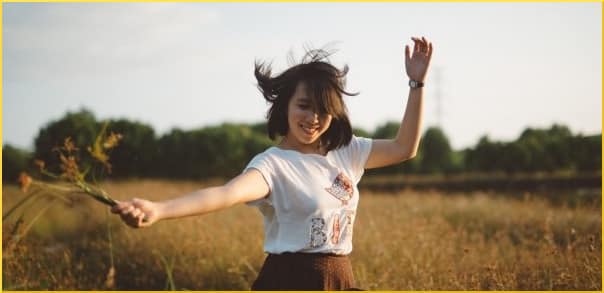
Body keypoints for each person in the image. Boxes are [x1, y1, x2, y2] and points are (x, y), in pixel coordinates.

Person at [111, 36, 433, 290]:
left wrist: (416, 84)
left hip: (339, 279)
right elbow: (226, 194)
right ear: (286, 106)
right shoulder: (273, 165)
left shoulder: (346, 150)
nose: (313, 118)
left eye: (323, 109)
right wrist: (159, 209)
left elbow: (405, 147)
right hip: (290, 281)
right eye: (304, 106)